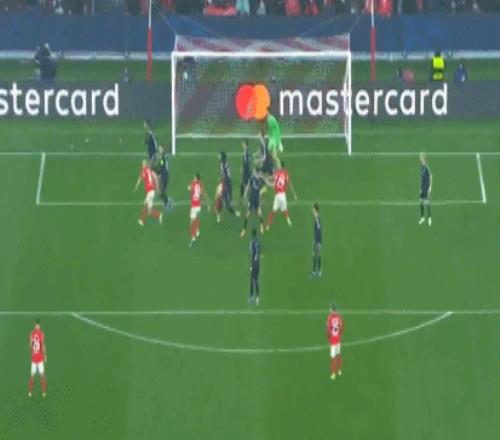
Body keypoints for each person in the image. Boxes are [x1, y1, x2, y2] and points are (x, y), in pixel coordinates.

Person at [266, 161, 298, 230]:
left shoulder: (277, 173)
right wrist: (294, 194)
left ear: (281, 166)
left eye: (279, 165)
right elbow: (289, 184)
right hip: (283, 195)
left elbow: (272, 178)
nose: (278, 166)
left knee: (273, 211)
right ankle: (288, 220)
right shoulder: (286, 174)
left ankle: (268, 225)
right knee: (284, 210)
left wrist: (267, 178)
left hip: (277, 195)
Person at [134, 160, 162, 226]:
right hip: (152, 191)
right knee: (149, 210)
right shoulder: (150, 170)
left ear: (144, 165)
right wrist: (157, 187)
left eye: (143, 164)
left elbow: (139, 179)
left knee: (145, 204)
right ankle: (158, 215)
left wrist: (136, 186)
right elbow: (156, 177)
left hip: (149, 192)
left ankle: (142, 220)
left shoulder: (143, 171)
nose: (142, 165)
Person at [214, 152, 240, 222]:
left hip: (226, 183)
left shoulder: (223, 164)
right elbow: (224, 173)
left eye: (219, 155)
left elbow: (226, 175)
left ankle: (233, 212)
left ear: (222, 157)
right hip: (225, 183)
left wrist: (221, 179)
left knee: (226, 202)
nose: (218, 156)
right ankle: (219, 215)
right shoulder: (224, 163)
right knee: (221, 199)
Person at [241, 167, 266, 237]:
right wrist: (245, 193)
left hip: (257, 199)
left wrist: (262, 192)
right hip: (251, 199)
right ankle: (244, 229)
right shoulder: (252, 179)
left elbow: (265, 187)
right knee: (247, 214)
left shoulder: (261, 179)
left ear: (257, 172)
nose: (254, 173)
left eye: (255, 172)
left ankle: (261, 225)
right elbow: (248, 186)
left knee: (259, 214)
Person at [188, 173, 210, 247]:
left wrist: (189, 187)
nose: (193, 178)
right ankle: (197, 231)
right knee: (197, 218)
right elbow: (204, 193)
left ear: (196, 178)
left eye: (194, 177)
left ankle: (193, 237)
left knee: (191, 222)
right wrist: (208, 201)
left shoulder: (193, 183)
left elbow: (189, 189)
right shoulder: (201, 184)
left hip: (194, 206)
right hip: (198, 206)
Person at [28, 319, 47, 398]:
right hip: (39, 359)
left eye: (37, 325)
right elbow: (43, 345)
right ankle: (43, 392)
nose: (37, 326)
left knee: (34, 376)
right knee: (41, 376)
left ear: (36, 325)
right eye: (37, 325)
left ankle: (30, 392)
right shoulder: (42, 334)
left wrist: (31, 342)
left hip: (35, 359)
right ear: (38, 325)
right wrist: (45, 355)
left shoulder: (32, 334)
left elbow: (30, 345)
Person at [326, 303, 343, 380]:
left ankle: (333, 374)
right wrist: (339, 336)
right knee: (338, 354)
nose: (329, 311)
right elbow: (342, 327)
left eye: (330, 309)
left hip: (333, 341)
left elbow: (328, 329)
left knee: (333, 357)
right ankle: (339, 370)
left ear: (333, 310)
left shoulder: (329, 318)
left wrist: (328, 338)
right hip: (338, 339)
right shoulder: (339, 317)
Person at [152, 145, 171, 211]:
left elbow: (161, 165)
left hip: (164, 175)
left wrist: (155, 169)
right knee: (160, 191)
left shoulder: (162, 157)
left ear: (162, 149)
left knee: (160, 191)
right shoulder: (162, 157)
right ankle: (167, 201)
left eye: (160, 149)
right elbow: (161, 165)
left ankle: (167, 202)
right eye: (159, 148)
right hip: (163, 174)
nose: (159, 150)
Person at [419, 153, 433, 226]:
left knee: (427, 203)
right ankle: (422, 218)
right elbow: (422, 178)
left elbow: (431, 176)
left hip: (426, 188)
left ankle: (429, 218)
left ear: (423, 159)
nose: (419, 159)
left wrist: (430, 187)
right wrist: (420, 188)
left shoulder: (426, 167)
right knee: (421, 202)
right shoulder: (421, 166)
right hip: (422, 188)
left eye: (420, 158)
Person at [249, 228, 261, 305]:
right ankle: (257, 298)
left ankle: (251, 297)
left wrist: (251, 266)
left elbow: (252, 254)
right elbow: (258, 252)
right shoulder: (258, 242)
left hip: (254, 264)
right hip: (258, 264)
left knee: (251, 281)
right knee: (256, 281)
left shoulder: (252, 242)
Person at [311, 203, 322, 279]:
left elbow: (318, 230)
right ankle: (317, 272)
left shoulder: (317, 219)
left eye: (313, 208)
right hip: (317, 240)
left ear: (315, 209)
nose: (312, 210)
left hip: (317, 240)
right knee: (316, 255)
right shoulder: (316, 217)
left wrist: (316, 241)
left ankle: (315, 272)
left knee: (315, 255)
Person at [240, 140, 252, 206]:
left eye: (243, 144)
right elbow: (244, 162)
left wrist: (244, 170)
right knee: (242, 184)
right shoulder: (245, 152)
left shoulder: (247, 153)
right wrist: (242, 167)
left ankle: (249, 200)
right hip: (245, 171)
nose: (242, 145)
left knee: (248, 186)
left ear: (246, 146)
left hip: (247, 172)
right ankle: (243, 199)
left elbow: (248, 164)